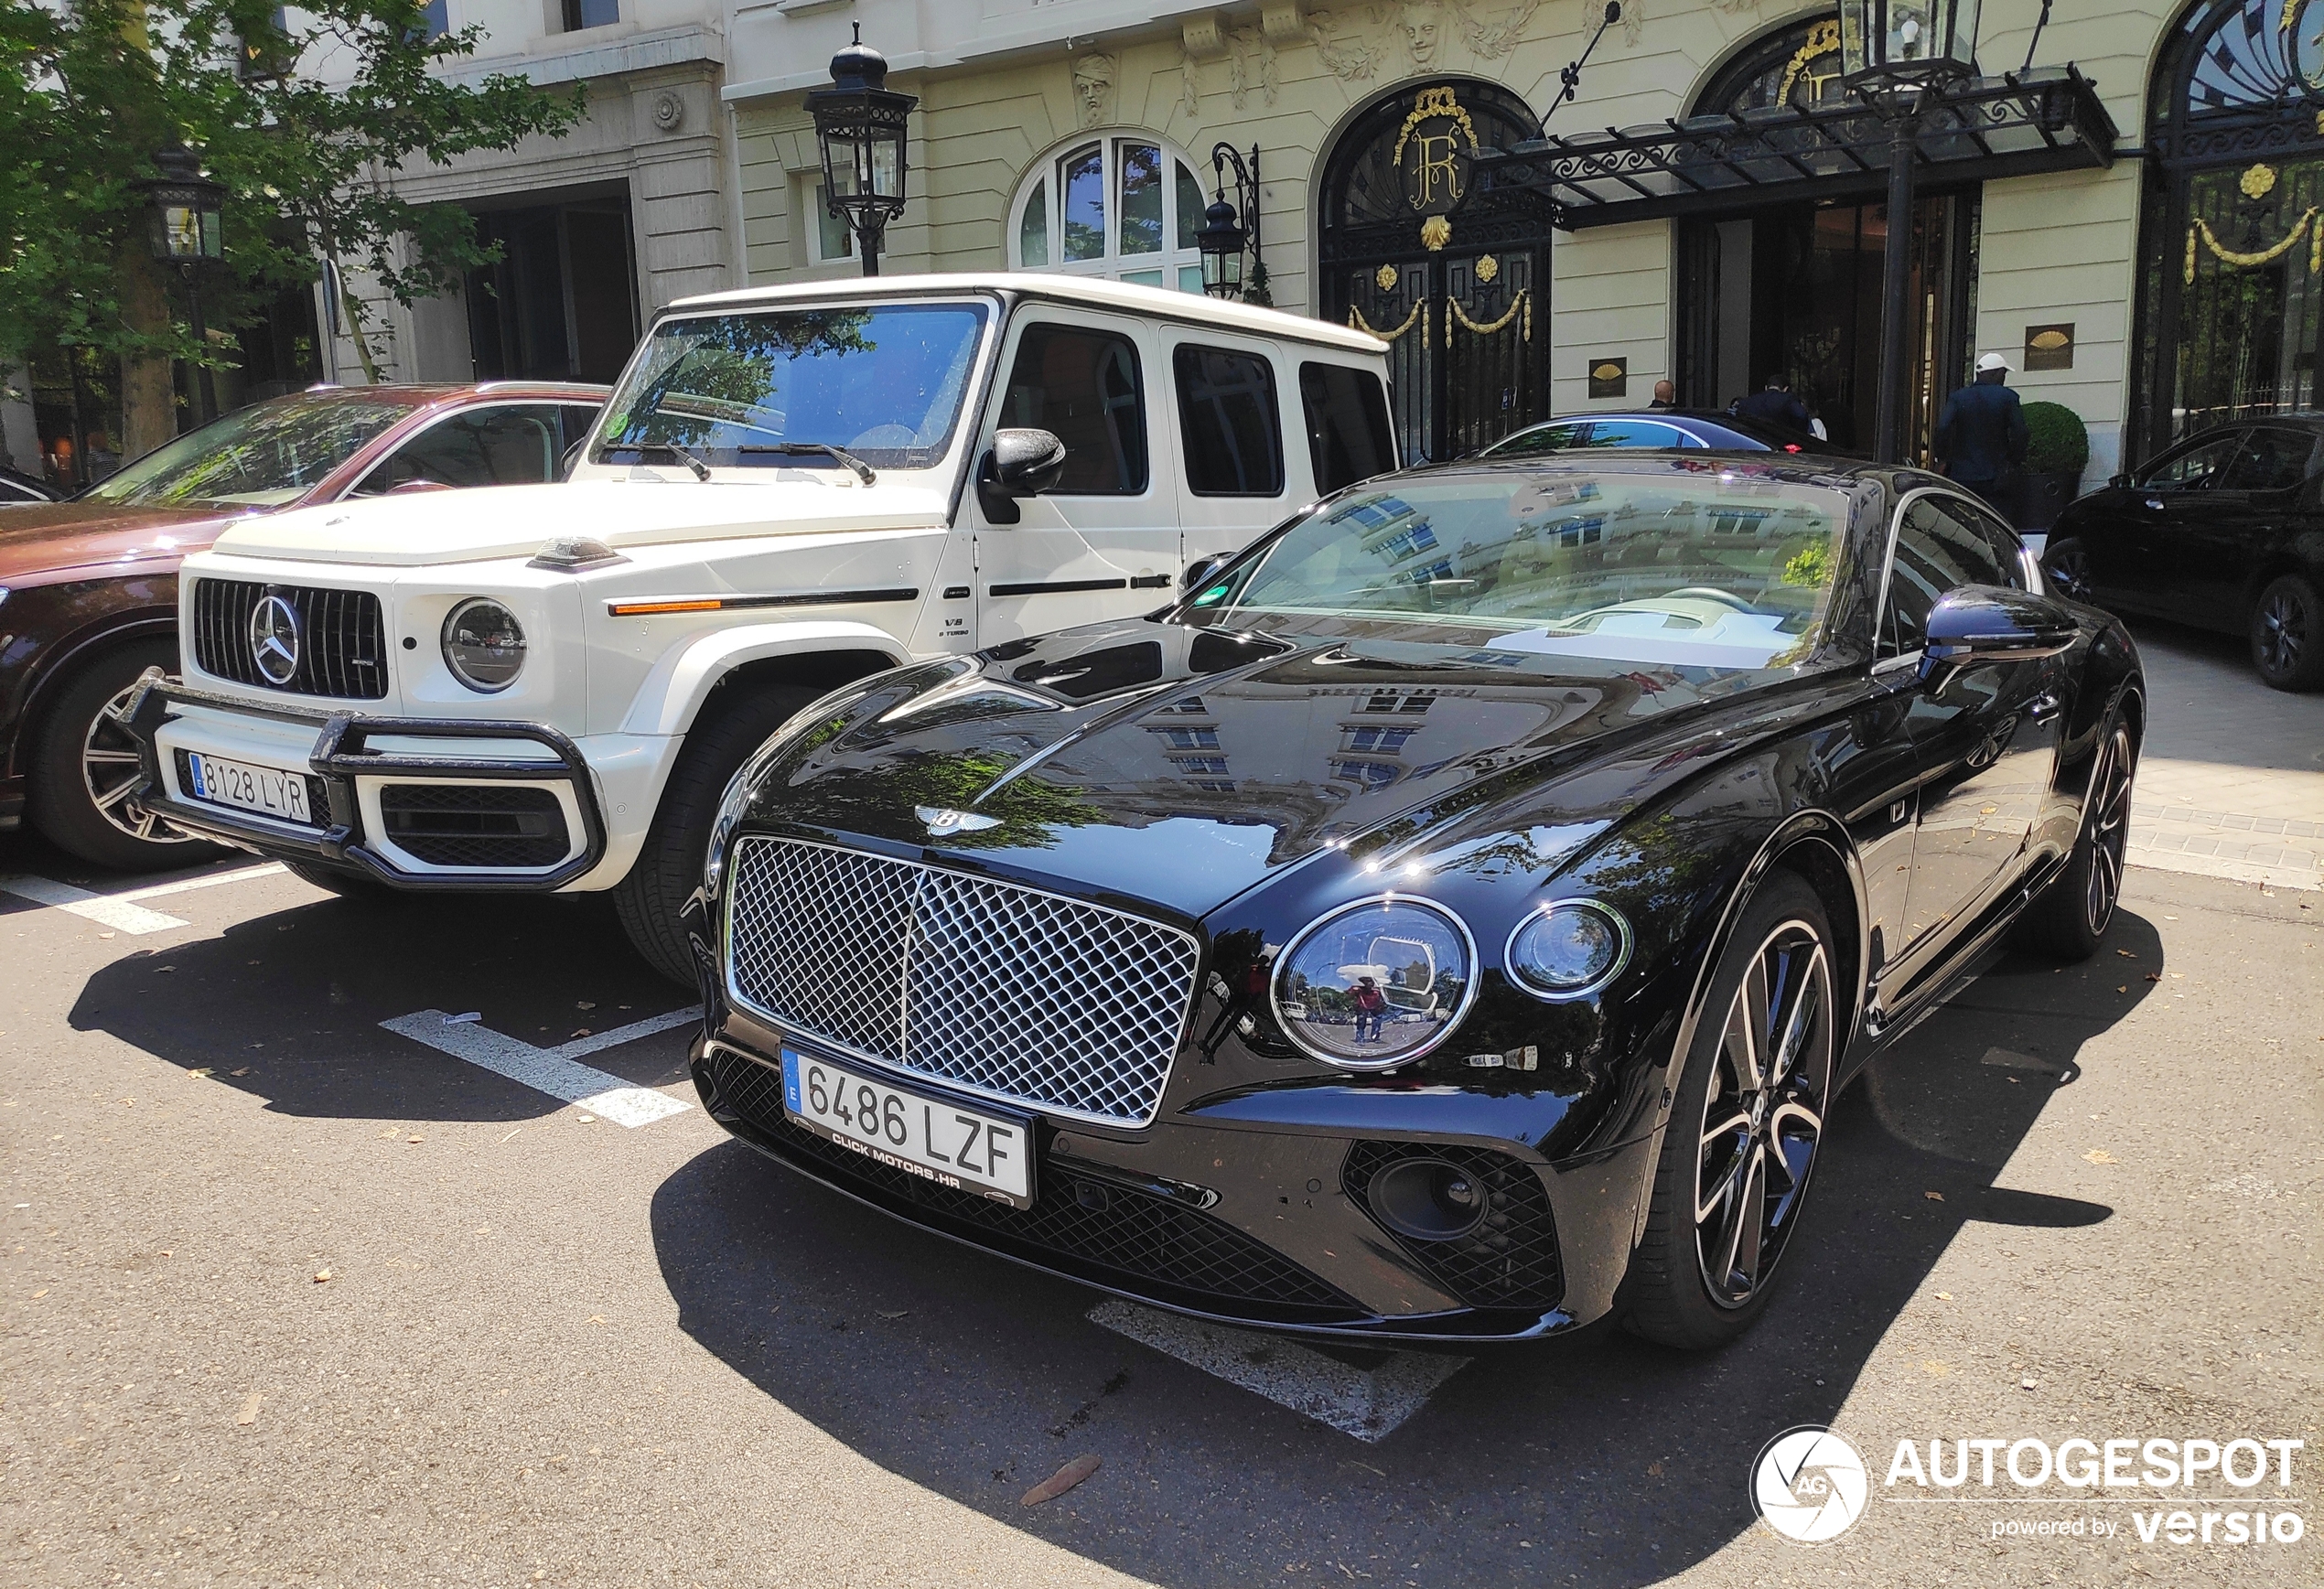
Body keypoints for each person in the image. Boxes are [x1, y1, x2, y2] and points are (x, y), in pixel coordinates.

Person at [1934, 352, 2028, 503]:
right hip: (1996, 476)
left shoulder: (1958, 397)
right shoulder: (2008, 397)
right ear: (1995, 373)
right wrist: (2013, 460)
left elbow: (1943, 427)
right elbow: (2020, 432)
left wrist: (1942, 458)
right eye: (2003, 373)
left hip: (1962, 474)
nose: (2004, 378)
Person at [1737, 373, 1812, 435]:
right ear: (1786, 389)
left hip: (1754, 442)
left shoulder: (1747, 402)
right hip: (1779, 441)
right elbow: (1801, 415)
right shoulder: (1788, 399)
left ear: (1766, 388)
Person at [1350, 976, 1387, 1044]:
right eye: (1366, 982)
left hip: (1375, 1007)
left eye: (1370, 982)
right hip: (1362, 1007)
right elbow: (1350, 993)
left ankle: (1375, 1037)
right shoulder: (1359, 990)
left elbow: (1383, 998)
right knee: (1361, 1023)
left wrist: (1381, 1005)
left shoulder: (1376, 991)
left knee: (1377, 1022)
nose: (1369, 984)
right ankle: (1360, 1038)